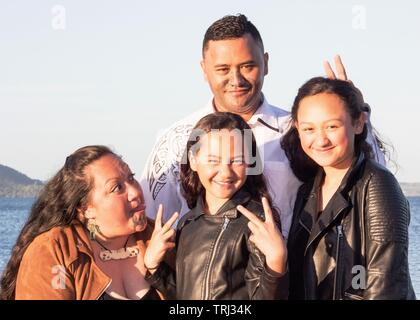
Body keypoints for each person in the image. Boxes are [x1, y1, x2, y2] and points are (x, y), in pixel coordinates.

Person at [140, 14, 384, 240]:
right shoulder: (176, 141)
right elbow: (149, 223)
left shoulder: (300, 131)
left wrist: (353, 113)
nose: (236, 80)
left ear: (265, 63)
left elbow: (367, 182)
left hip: (292, 281)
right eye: (223, 69)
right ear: (204, 70)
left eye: (247, 66)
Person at [280, 77, 416, 299]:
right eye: (308, 129)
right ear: (297, 128)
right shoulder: (306, 191)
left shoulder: (377, 185)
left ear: (358, 123)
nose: (320, 139)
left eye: (332, 126)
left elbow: (387, 285)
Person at [142, 112, 288, 300]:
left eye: (236, 160)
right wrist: (154, 266)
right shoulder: (188, 223)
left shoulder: (257, 224)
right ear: (193, 160)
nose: (225, 172)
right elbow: (188, 293)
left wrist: (276, 263)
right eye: (213, 160)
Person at [0, 145, 172, 300]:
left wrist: (158, 271)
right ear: (86, 209)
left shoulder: (159, 239)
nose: (135, 191)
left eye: (131, 178)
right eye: (117, 187)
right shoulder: (55, 252)